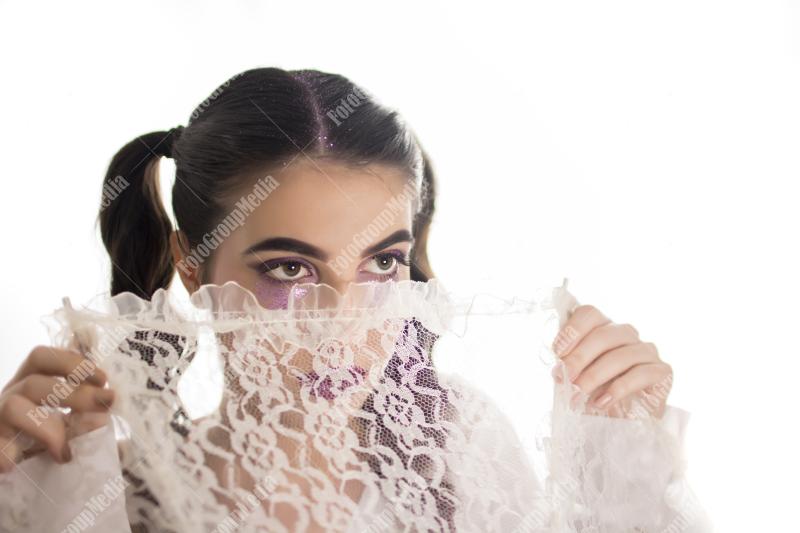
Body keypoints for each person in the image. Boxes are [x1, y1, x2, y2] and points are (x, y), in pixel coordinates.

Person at [0, 67, 705, 532]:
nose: (342, 325)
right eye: (290, 269)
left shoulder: (459, 447)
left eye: (382, 262)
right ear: (191, 266)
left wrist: (627, 457)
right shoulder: (113, 499)